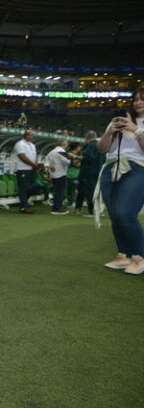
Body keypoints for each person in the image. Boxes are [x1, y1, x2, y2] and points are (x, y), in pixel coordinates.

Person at [96, 88, 144, 275]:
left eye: (142, 99)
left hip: (137, 168)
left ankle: (140, 256)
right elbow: (102, 148)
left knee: (125, 213)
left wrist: (136, 129)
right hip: (110, 167)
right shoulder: (121, 120)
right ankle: (124, 255)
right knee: (115, 215)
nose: (138, 102)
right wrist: (109, 132)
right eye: (135, 99)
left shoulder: (134, 124)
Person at [75, 130, 104, 217]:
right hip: (98, 171)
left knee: (90, 191)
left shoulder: (90, 146)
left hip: (89, 172)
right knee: (96, 191)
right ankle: (98, 210)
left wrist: (76, 157)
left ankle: (92, 211)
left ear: (86, 138)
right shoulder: (101, 145)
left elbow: (89, 158)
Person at [13, 129, 42, 214]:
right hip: (22, 169)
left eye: (32, 135)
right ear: (25, 135)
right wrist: (33, 165)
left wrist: (35, 165)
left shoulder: (32, 145)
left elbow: (36, 155)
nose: (31, 137)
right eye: (29, 135)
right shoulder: (19, 144)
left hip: (32, 170)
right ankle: (23, 207)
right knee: (23, 189)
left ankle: (24, 203)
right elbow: (22, 157)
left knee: (35, 186)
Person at [45, 140, 74, 215]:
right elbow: (67, 162)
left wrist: (50, 166)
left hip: (53, 175)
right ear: (65, 145)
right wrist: (71, 158)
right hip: (61, 174)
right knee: (59, 192)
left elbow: (46, 163)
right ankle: (56, 208)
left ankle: (56, 207)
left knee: (57, 191)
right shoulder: (62, 152)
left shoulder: (51, 152)